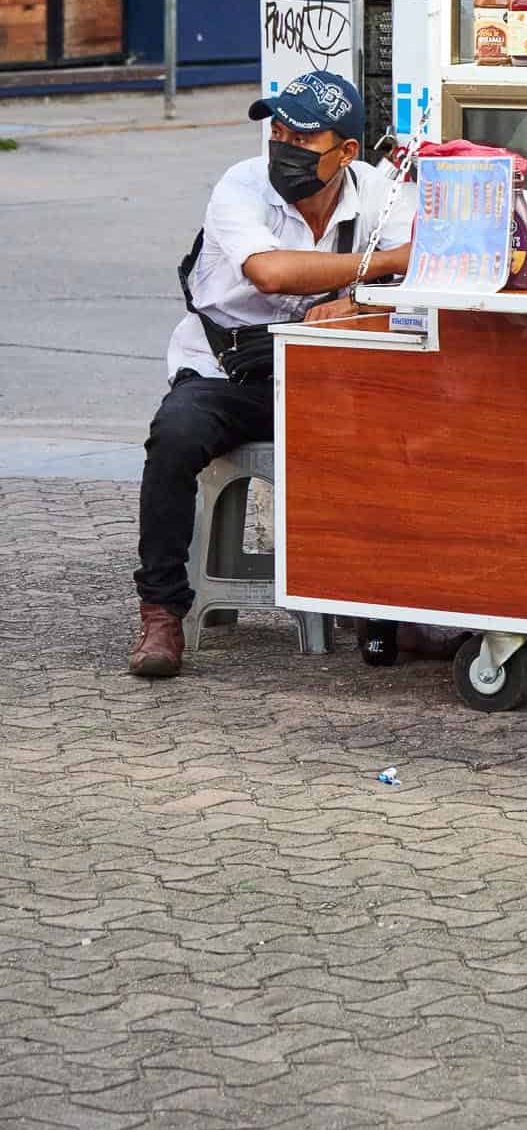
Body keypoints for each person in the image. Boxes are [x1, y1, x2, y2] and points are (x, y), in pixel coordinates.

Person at [128, 71, 413, 680]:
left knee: (403, 435)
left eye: (302, 138)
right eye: (277, 129)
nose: (282, 144)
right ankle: (161, 611)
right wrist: (379, 266)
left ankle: (379, 600)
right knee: (174, 437)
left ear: (347, 154)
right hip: (225, 369)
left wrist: (361, 302)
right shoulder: (242, 184)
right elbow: (271, 273)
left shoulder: (381, 192)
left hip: (320, 371)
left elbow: (423, 277)